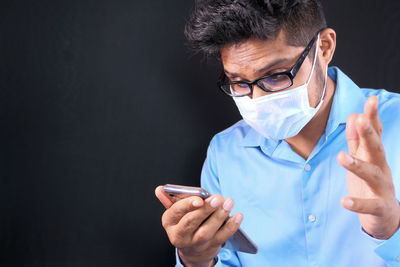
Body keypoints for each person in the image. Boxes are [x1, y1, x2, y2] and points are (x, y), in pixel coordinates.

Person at [155, 0, 400, 266]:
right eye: (238, 82)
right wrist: (196, 259)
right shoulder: (225, 153)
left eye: (276, 75)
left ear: (324, 47)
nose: (257, 98)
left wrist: (389, 230)